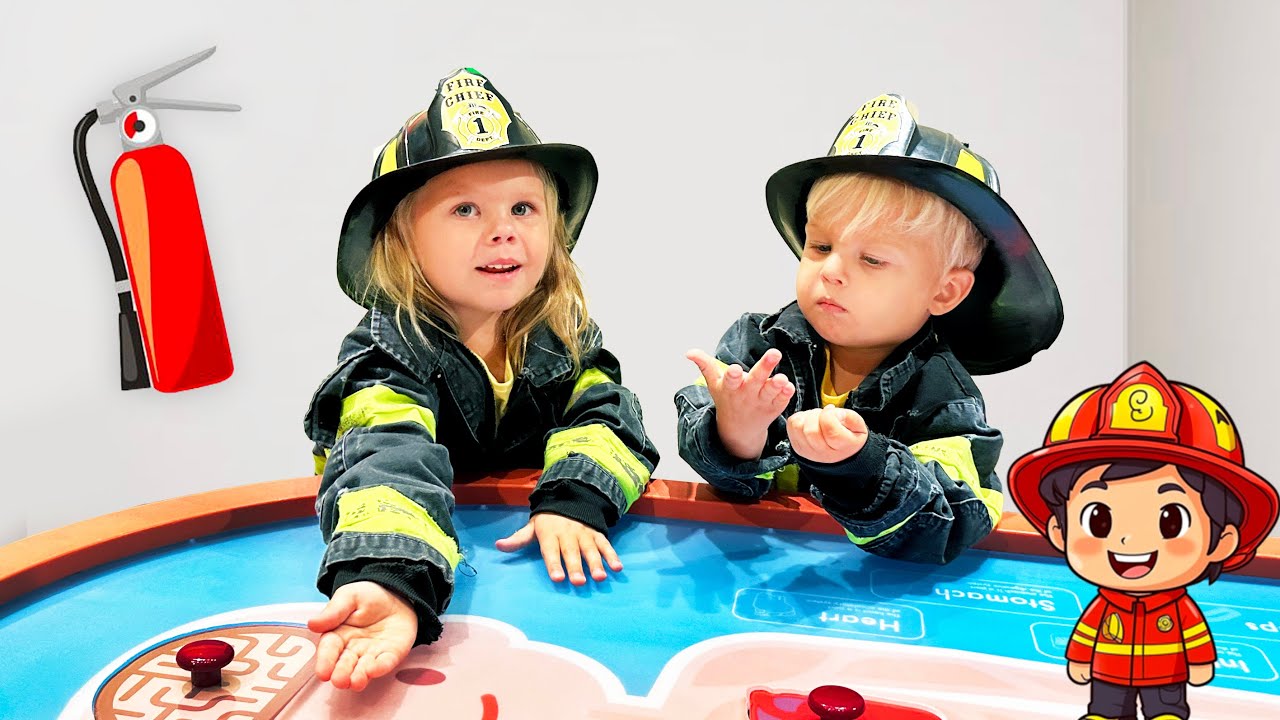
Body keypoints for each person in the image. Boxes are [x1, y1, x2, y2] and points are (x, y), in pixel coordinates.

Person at [302, 67, 659, 691]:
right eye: (465, 208)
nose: (504, 229)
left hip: (527, 575)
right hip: (426, 569)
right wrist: (391, 578)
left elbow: (609, 419)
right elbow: (387, 458)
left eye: (524, 207)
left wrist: (574, 501)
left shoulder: (561, 335)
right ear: (403, 241)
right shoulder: (388, 353)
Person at [677, 93, 1062, 564]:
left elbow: (953, 519)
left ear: (944, 292)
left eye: (873, 259)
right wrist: (737, 430)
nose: (831, 270)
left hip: (874, 594)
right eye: (819, 245)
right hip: (750, 567)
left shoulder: (941, 395)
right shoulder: (759, 345)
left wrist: (859, 465)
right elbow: (715, 465)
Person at [1007, 361, 1280, 720]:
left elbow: (1194, 633)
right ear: (1060, 531)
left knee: (1166, 710)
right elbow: (1088, 631)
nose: (1128, 539)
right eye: (1098, 519)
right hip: (1109, 674)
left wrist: (1199, 663)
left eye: (1171, 521)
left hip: (1166, 674)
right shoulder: (1104, 604)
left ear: (1223, 540)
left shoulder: (1178, 607)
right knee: (1105, 710)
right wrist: (1078, 657)